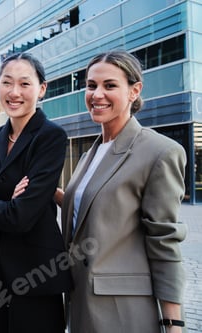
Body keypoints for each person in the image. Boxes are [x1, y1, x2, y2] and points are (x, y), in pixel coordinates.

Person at [57, 50, 187, 333]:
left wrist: (173, 324)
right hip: (80, 301)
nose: (97, 94)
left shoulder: (160, 152)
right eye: (91, 86)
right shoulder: (89, 155)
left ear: (134, 90)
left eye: (110, 85)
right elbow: (94, 210)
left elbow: (164, 241)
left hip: (122, 311)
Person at [0, 52, 72, 333]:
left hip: (37, 270)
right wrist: (4, 205)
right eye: (7, 83)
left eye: (24, 84)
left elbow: (22, 216)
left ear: (41, 88)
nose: (14, 92)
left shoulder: (51, 137)